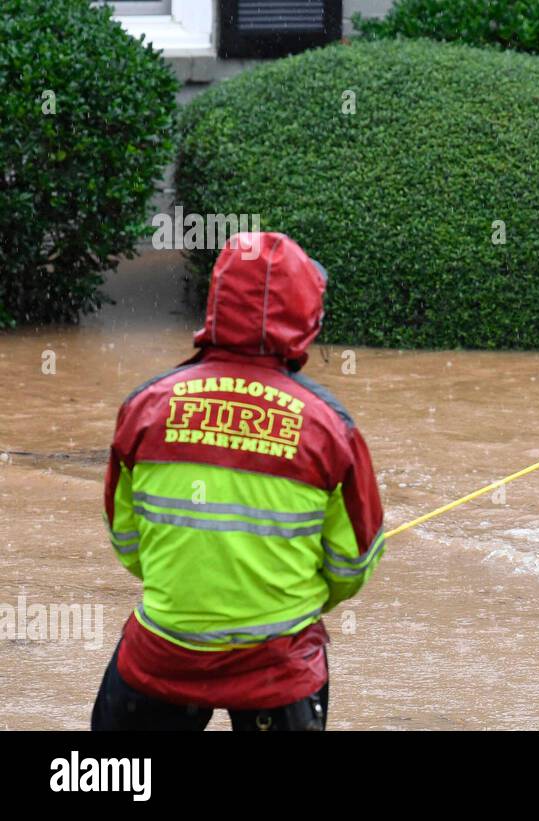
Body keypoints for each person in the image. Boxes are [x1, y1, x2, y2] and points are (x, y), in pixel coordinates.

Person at [91, 232, 385, 731]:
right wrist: (284, 597)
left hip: (162, 656)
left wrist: (193, 588)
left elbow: (126, 539)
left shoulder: (145, 407)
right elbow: (353, 562)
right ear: (306, 313)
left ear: (216, 303)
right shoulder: (329, 426)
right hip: (278, 670)